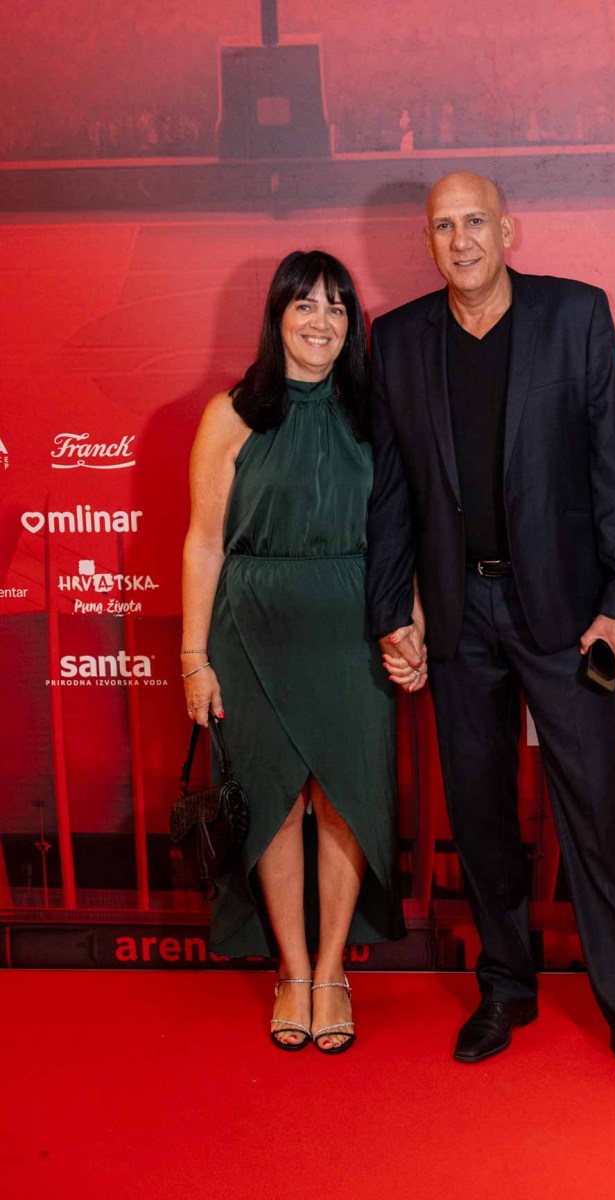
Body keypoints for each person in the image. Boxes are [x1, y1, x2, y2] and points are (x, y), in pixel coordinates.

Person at [367, 172, 615, 1098]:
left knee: (598, 812)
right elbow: (391, 491)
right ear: (428, 242)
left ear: (509, 230)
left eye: (475, 221)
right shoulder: (398, 340)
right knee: (480, 815)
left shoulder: (574, 316)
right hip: (457, 617)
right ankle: (507, 988)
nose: (460, 240)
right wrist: (392, 608)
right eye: (443, 227)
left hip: (567, 616)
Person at [181, 250, 406, 1054]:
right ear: (276, 317)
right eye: (305, 305)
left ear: (353, 325)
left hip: (352, 630)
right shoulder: (232, 415)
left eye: (338, 307)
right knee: (274, 801)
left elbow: (404, 533)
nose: (322, 321)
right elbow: (205, 542)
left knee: (345, 797)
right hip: (252, 630)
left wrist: (407, 618)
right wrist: (193, 657)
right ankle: (294, 970)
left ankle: (334, 970)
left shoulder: (376, 415)